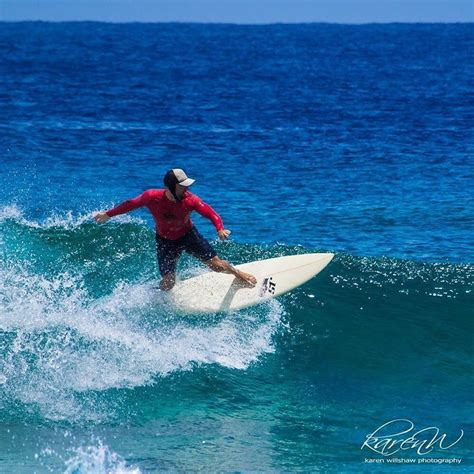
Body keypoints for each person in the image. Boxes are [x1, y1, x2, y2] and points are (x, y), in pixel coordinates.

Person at [94, 168, 257, 291]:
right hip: (165, 241)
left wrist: (220, 228)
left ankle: (238, 274)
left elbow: (210, 213)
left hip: (188, 236)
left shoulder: (190, 200)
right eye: (182, 186)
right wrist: (108, 214)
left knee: (217, 265)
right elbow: (131, 204)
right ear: (171, 186)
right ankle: (157, 295)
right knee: (168, 283)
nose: (186, 189)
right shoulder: (152, 196)